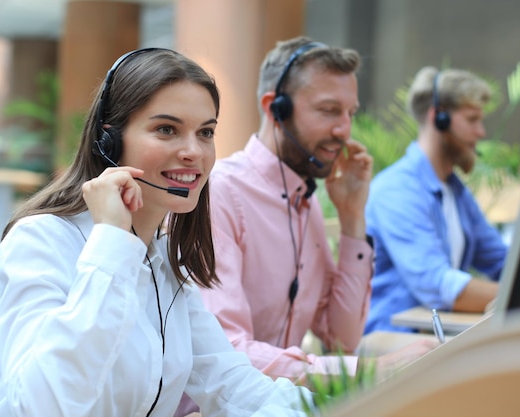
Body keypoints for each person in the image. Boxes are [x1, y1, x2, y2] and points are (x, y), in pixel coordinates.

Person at [0, 47, 313, 417]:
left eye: (205, 132)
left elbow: (231, 384)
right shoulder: (41, 242)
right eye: (166, 129)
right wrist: (112, 242)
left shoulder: (164, 264)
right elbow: (43, 405)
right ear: (109, 142)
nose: (194, 151)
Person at [174, 38, 435, 416]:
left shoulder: (305, 201)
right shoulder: (219, 195)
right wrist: (363, 372)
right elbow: (229, 350)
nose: (344, 130)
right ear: (275, 108)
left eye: (350, 113)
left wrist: (352, 219)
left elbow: (340, 338)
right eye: (329, 111)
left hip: (284, 405)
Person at [364, 66, 509, 334]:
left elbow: (501, 259)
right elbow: (436, 284)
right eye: (472, 119)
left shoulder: (455, 191)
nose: (481, 132)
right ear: (438, 118)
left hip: (434, 338)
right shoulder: (396, 190)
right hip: (391, 346)